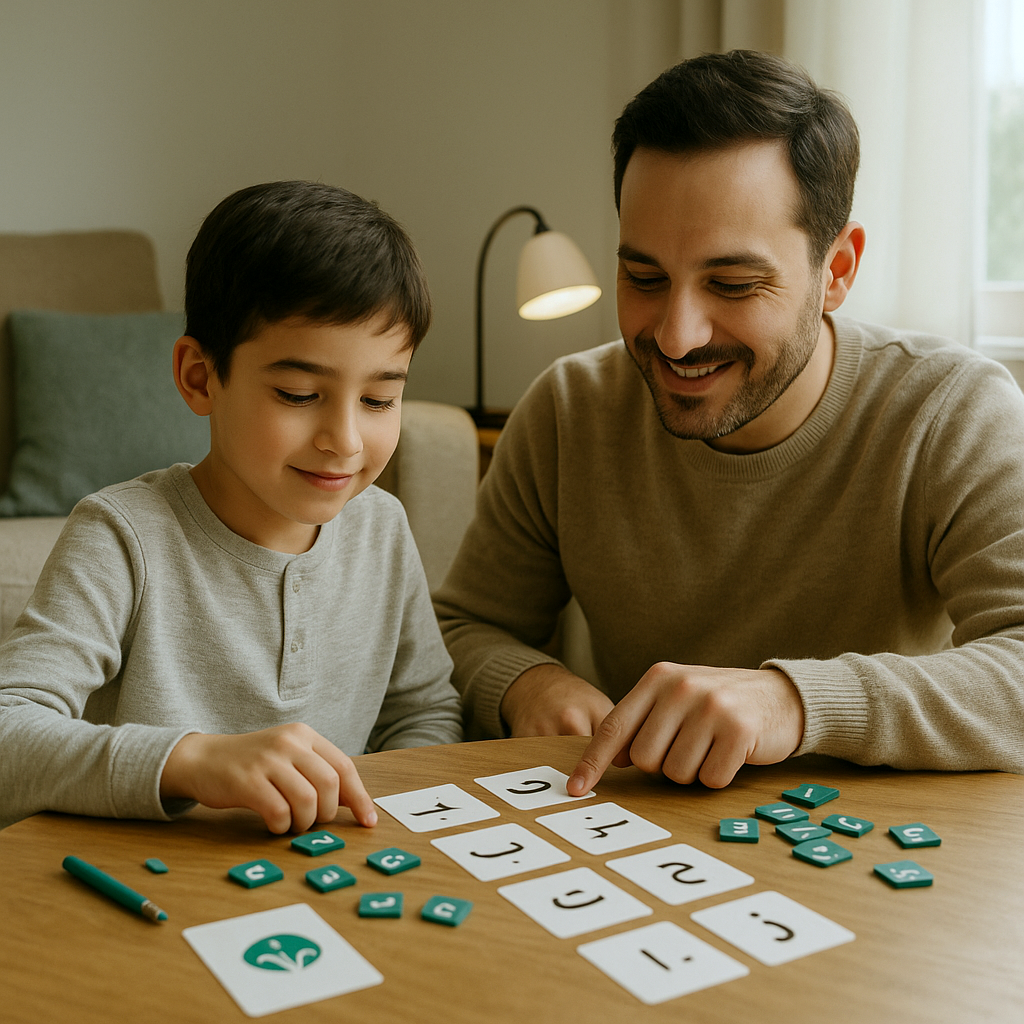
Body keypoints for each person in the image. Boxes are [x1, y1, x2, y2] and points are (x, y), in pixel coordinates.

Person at [434, 50, 1024, 796]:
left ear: (836, 270)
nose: (677, 337)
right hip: (647, 845)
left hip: (877, 854)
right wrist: (528, 683)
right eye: (644, 278)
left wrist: (795, 703)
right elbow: (460, 629)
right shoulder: (566, 410)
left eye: (734, 284)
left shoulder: (953, 410)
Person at [0, 181, 462, 833]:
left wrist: (380, 817)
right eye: (299, 394)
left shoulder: (382, 528)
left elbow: (424, 712)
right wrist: (189, 760)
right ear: (200, 377)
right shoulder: (122, 537)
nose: (346, 442)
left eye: (380, 400)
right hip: (145, 889)